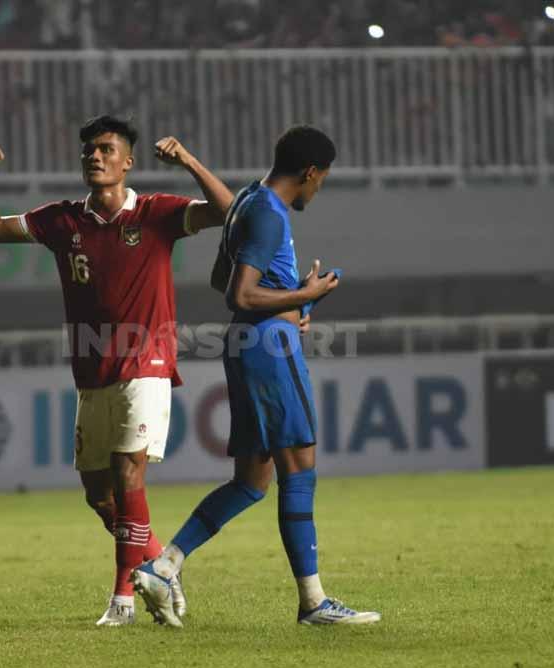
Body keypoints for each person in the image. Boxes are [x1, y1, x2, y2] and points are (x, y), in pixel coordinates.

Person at [0, 115, 234, 626]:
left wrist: (187, 161)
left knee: (126, 473)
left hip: (148, 364)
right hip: (92, 374)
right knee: (99, 494)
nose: (95, 156)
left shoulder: (156, 214)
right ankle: (161, 567)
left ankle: (123, 600)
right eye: (89, 149)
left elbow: (228, 211)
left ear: (128, 161)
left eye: (107, 149)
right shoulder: (61, 220)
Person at [132, 125, 380, 626]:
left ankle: (166, 565)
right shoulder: (269, 214)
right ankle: (313, 603)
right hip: (269, 350)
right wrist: (304, 296)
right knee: (299, 463)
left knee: (251, 480)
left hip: (250, 346)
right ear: (310, 172)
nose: (318, 190)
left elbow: (222, 277)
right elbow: (240, 295)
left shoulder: (249, 200)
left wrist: (290, 299)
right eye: (321, 181)